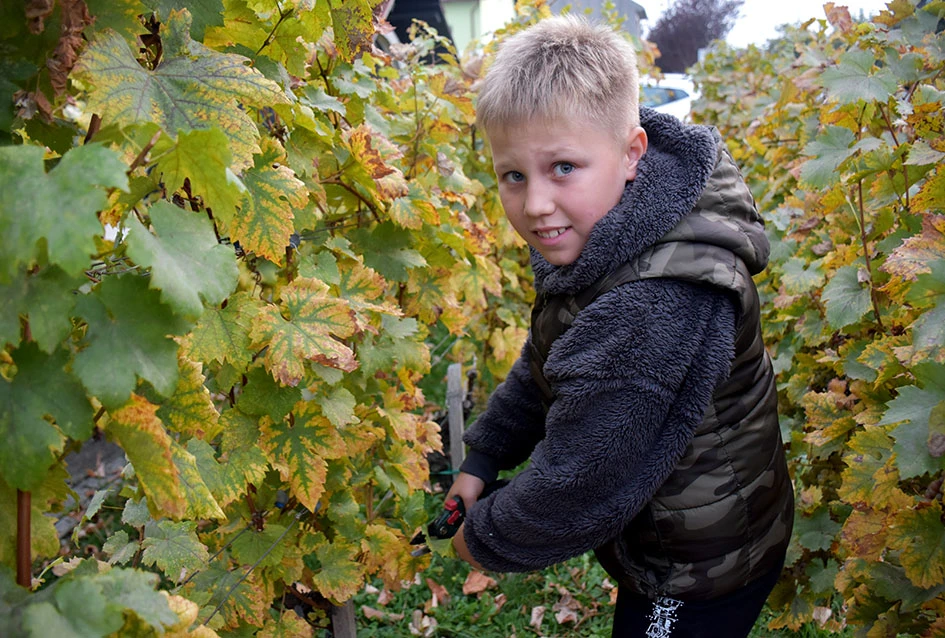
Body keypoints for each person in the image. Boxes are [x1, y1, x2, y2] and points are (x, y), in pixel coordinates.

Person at [444, 14, 794, 638]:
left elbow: (584, 477)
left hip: (702, 565)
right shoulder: (608, 230)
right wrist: (488, 453)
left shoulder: (653, 305)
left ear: (633, 152)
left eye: (563, 169)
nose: (536, 204)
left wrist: (484, 540)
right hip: (678, 526)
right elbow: (550, 358)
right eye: (513, 175)